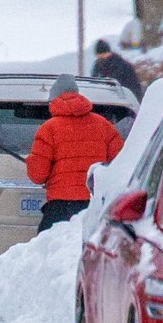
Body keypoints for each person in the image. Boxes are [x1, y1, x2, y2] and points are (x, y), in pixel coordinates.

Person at [25, 75, 124, 235]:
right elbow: (121, 165)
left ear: (54, 100)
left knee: (54, 252)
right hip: (95, 203)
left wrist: (31, 161)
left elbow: (38, 175)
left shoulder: (49, 128)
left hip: (60, 206)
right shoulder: (104, 125)